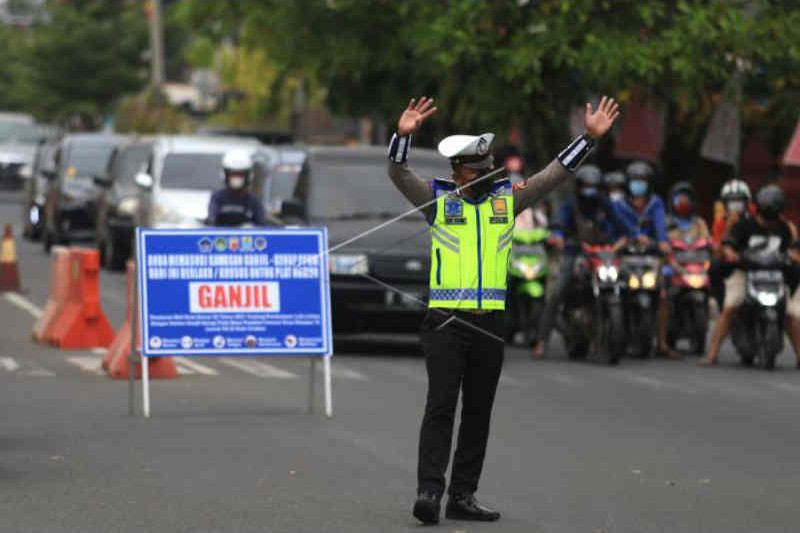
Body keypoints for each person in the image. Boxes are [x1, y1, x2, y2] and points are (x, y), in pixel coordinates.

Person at [387, 95, 620, 524]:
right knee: (441, 406)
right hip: (445, 323)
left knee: (478, 411)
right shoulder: (439, 201)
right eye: (476, 171)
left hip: (490, 324)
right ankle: (429, 492)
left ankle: (463, 494)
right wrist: (402, 136)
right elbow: (398, 172)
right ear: (457, 172)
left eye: (488, 169)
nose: (485, 176)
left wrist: (588, 139)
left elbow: (554, 174)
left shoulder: (506, 203)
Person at [531, 164, 626, 358]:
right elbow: (558, 222)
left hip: (601, 254)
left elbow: (621, 224)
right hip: (574, 252)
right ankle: (542, 341)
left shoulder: (604, 203)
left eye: (594, 186)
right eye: (586, 186)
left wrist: (633, 236)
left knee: (626, 283)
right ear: (579, 186)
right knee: (557, 292)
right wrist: (557, 236)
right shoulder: (570, 203)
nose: (590, 190)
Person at [700, 185, 800, 367]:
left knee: (791, 315)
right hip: (745, 273)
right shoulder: (744, 226)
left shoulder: (785, 228)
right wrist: (732, 254)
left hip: (774, 276)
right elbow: (728, 246)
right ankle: (712, 353)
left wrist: (793, 256)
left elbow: (794, 250)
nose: (770, 221)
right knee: (731, 307)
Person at [656, 181, 711, 357]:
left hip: (694, 265)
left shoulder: (699, 223)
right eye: (679, 197)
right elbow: (661, 241)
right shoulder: (665, 222)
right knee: (662, 288)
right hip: (671, 265)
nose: (683, 201)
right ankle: (662, 333)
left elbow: (707, 240)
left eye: (686, 198)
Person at [709, 180, 752, 310]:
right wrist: (728, 228)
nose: (735, 205)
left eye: (739, 201)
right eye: (731, 201)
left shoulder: (755, 218)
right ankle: (722, 305)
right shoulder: (720, 223)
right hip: (731, 261)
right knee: (714, 267)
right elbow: (716, 252)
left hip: (754, 260)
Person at [611, 161, 670, 254]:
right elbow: (622, 224)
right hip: (624, 249)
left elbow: (659, 223)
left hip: (650, 250)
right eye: (634, 181)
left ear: (649, 184)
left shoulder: (655, 202)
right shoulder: (619, 204)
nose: (637, 185)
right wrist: (636, 236)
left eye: (641, 182)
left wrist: (662, 240)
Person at [207, 149, 266, 226]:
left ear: (248, 176)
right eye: (233, 174)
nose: (236, 179)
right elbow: (211, 221)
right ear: (225, 175)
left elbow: (262, 225)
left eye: (240, 175)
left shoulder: (253, 200)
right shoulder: (217, 197)